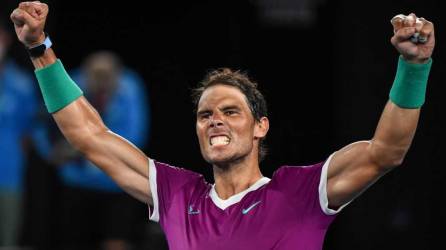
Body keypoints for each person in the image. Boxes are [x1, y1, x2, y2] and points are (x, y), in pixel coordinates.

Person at [10, 2, 435, 250]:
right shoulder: (178, 195)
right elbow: (89, 136)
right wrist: (39, 49)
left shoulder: (303, 192)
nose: (214, 119)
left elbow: (386, 151)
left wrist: (413, 67)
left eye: (231, 111)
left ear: (260, 127)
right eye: (205, 114)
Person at [41, 51, 150, 250]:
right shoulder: (70, 83)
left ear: (118, 75)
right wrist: (50, 150)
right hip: (76, 182)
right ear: (85, 74)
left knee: (116, 242)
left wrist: (80, 148)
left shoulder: (131, 88)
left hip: (118, 184)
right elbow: (42, 124)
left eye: (107, 76)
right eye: (96, 76)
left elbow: (135, 135)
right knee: (74, 241)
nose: (101, 82)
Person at [0, 16, 40, 247]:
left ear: (6, 40)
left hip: (8, 176)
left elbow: (29, 133)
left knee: (8, 241)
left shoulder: (22, 84)